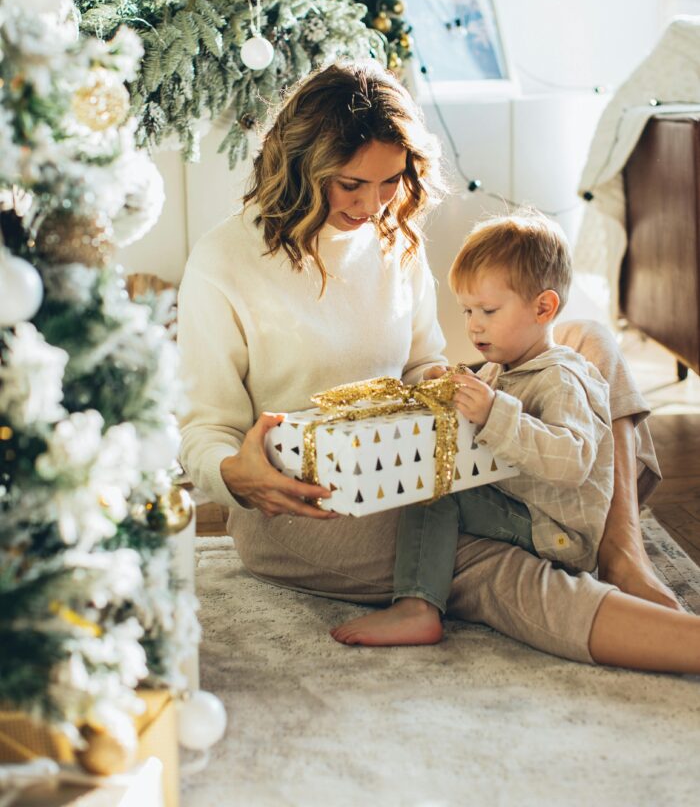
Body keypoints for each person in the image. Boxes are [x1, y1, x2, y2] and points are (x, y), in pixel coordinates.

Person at [178, 59, 698, 675]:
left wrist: (453, 386)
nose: (373, 204)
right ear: (299, 167)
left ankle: (620, 551)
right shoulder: (224, 262)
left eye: (390, 181)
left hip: (411, 459)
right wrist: (238, 477)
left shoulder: (394, 238)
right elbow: (202, 433)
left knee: (584, 343)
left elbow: (421, 362)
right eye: (351, 185)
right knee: (482, 561)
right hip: (308, 507)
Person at [331, 211, 614, 646]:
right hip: (520, 504)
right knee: (432, 479)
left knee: (437, 490)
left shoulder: (560, 378)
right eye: (467, 310)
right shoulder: (506, 366)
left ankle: (417, 607)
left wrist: (494, 412)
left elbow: (573, 461)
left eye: (488, 310)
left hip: (554, 529)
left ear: (544, 307)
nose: (474, 324)